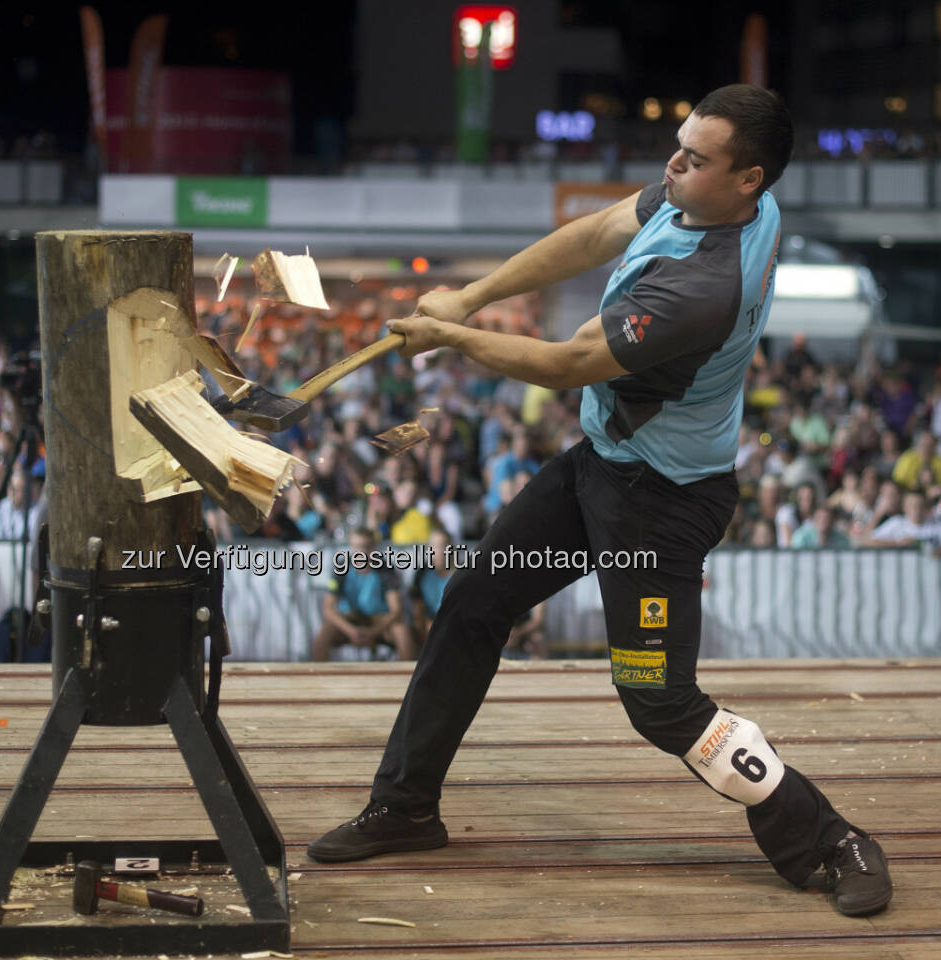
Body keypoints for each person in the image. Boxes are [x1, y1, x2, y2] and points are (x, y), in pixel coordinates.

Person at [306, 85, 892, 918]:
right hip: (605, 467)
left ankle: (831, 839)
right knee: (474, 598)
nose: (673, 164)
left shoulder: (705, 285)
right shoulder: (713, 200)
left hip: (659, 506)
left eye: (696, 158)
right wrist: (469, 296)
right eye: (679, 144)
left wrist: (454, 335)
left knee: (659, 703)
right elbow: (593, 233)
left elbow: (568, 364)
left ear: (749, 180)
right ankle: (404, 807)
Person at [312, 527, 414, 661]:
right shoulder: (341, 567)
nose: (361, 552)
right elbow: (328, 609)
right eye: (356, 547)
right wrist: (351, 631)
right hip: (350, 620)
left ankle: (407, 679)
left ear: (374, 548)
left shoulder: (386, 570)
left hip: (379, 621)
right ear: (350, 548)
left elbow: (396, 610)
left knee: (402, 632)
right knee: (324, 633)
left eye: (366, 547)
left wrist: (373, 632)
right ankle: (319, 678)